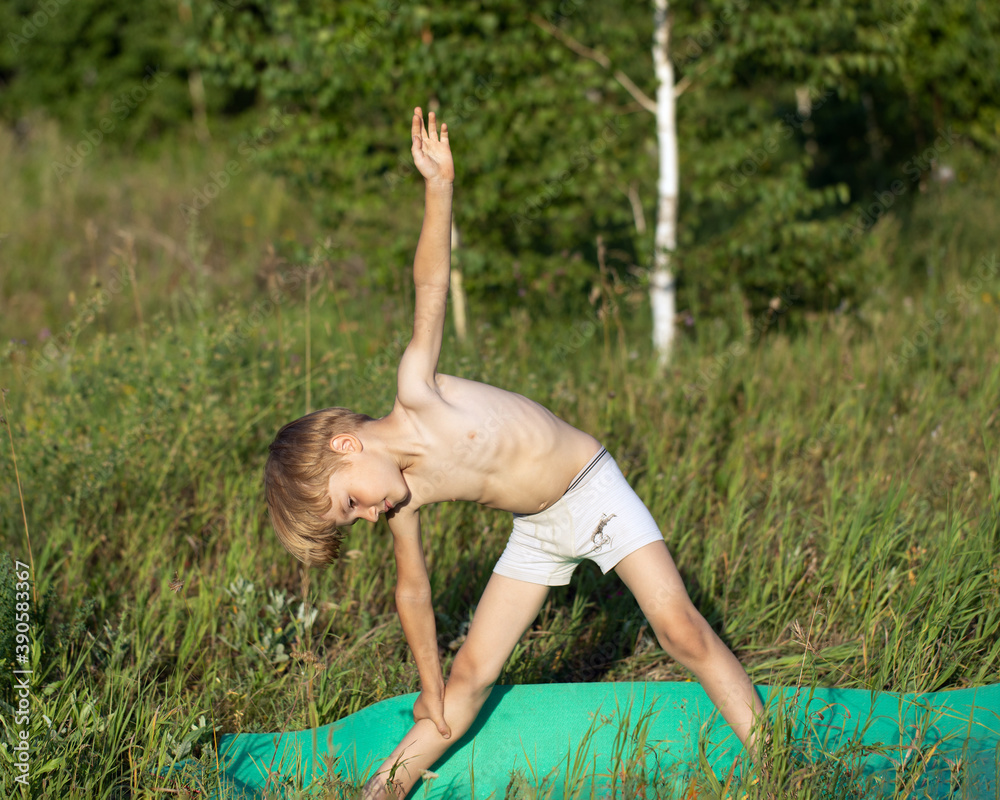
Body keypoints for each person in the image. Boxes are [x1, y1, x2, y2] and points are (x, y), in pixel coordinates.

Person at [264, 107, 766, 799]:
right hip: (537, 533)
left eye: (351, 503)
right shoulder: (401, 501)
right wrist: (432, 684)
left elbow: (430, 287)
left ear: (346, 446)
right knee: (467, 682)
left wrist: (439, 187)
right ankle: (385, 787)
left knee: (677, 627)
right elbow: (413, 591)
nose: (369, 517)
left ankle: (775, 758)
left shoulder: (416, 391)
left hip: (591, 488)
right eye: (355, 521)